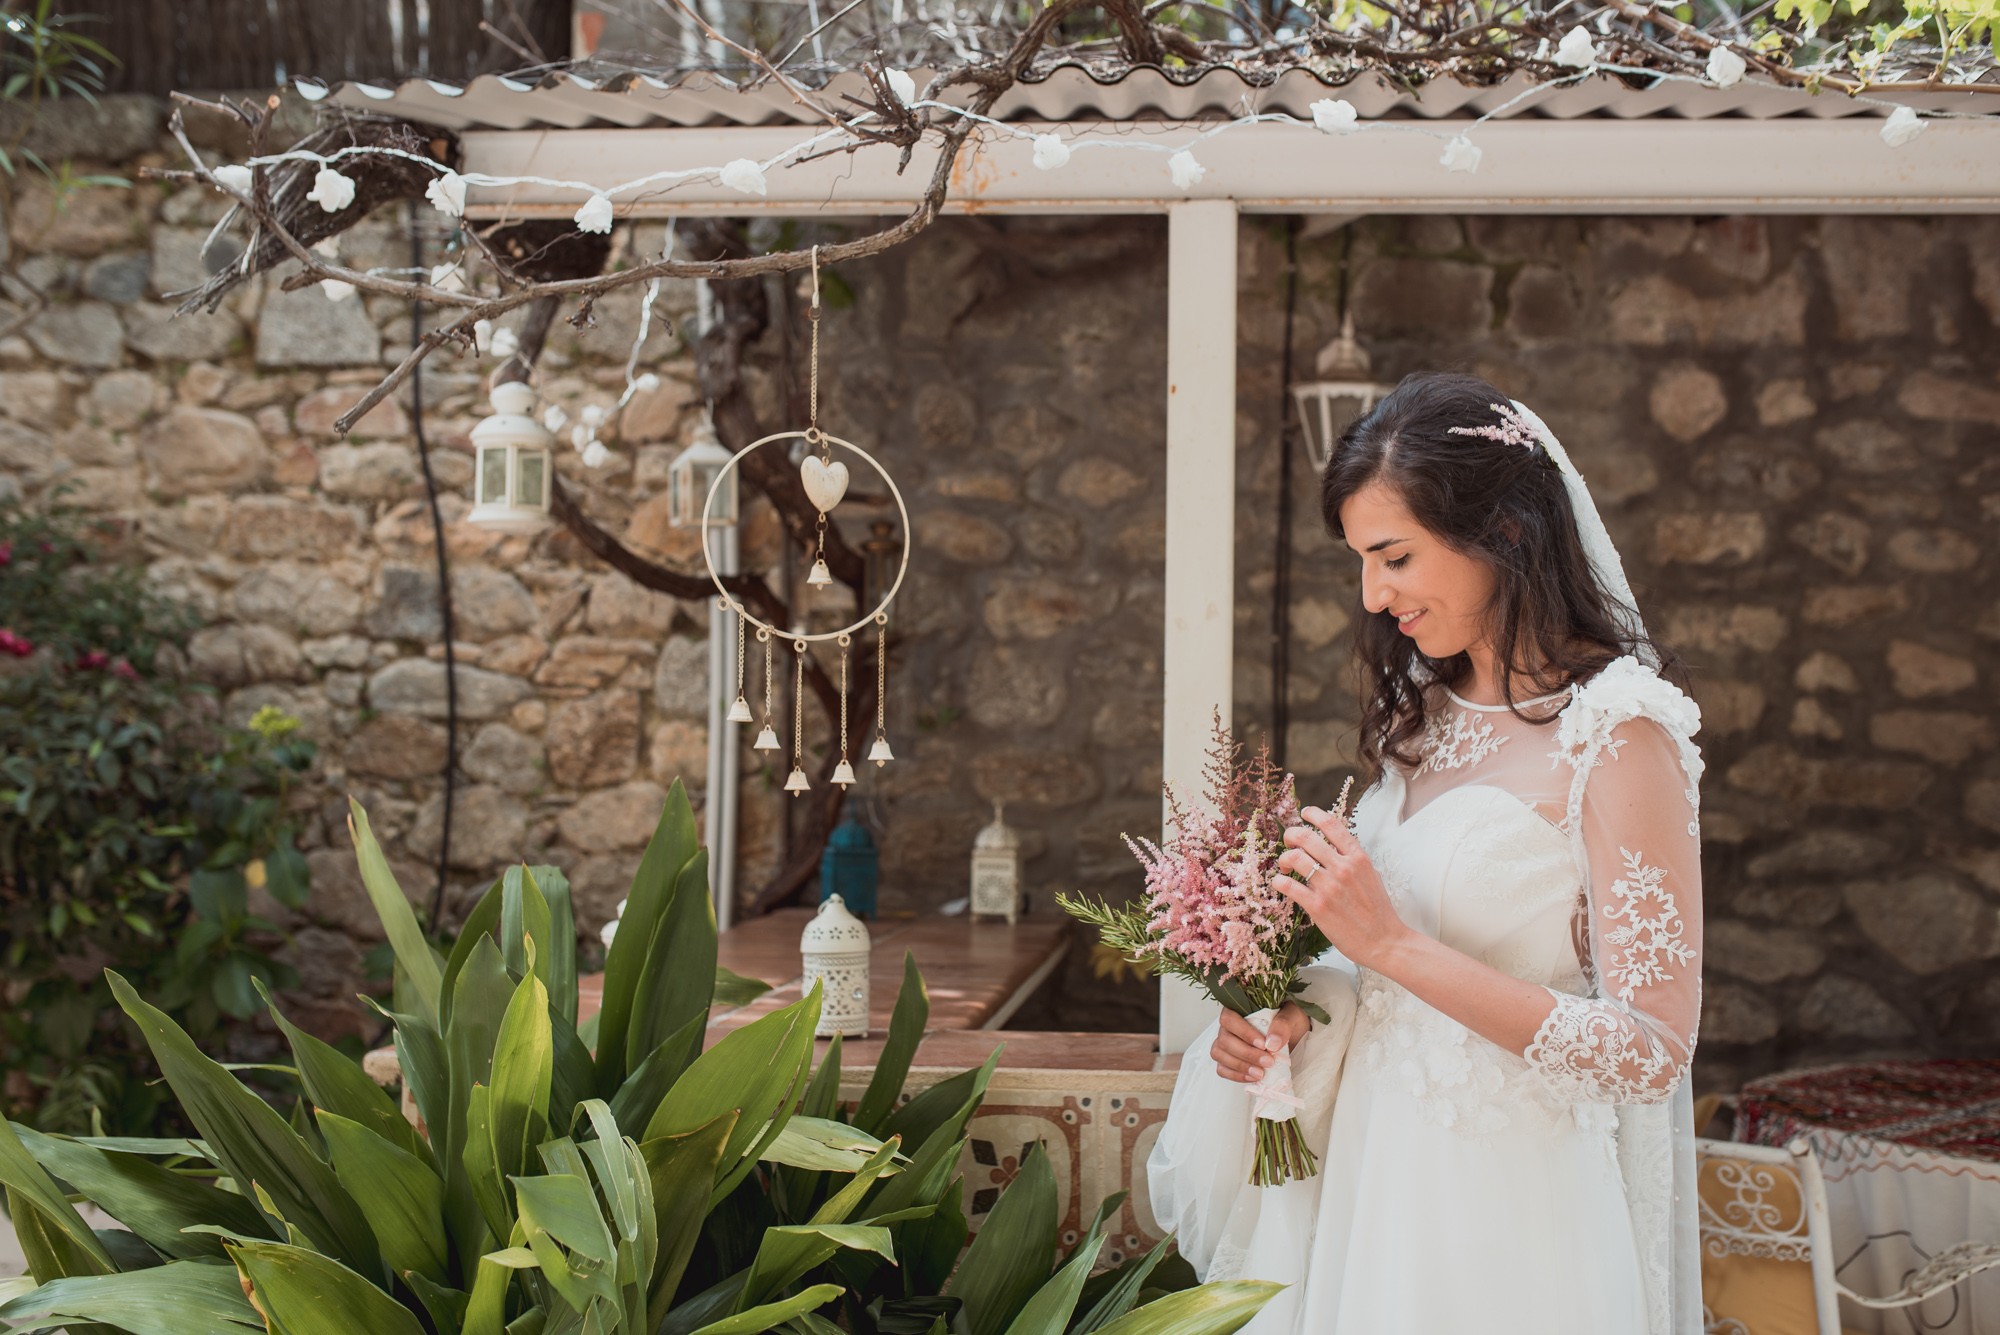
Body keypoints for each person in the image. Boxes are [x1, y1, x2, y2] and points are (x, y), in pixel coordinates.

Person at [1148, 372, 1705, 1335]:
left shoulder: (1618, 733)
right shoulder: (1428, 713)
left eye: (1395, 555)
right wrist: (1299, 1018)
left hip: (1515, 1210)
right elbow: (1382, 978)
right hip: (1376, 1175)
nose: (1373, 593)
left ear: (1507, 532)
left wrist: (1390, 944)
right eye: (1363, 560)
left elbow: (1651, 1050)